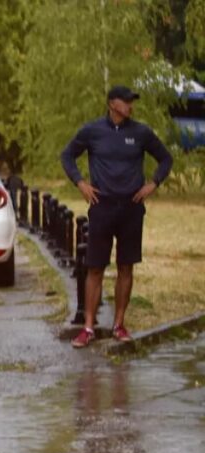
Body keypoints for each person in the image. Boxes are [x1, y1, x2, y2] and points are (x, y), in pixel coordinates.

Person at [61, 85, 172, 348]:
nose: (130, 105)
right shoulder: (93, 131)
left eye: (132, 101)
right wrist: (80, 183)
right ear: (112, 104)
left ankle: (119, 324)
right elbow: (67, 156)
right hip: (102, 206)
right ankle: (88, 327)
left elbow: (166, 159)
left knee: (126, 266)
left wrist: (152, 184)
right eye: (126, 101)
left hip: (132, 208)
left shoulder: (141, 132)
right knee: (96, 267)